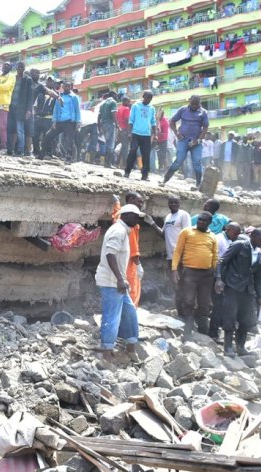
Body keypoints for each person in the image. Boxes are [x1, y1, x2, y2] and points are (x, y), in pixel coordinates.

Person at [95, 204, 144, 360]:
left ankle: (130, 347)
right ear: (127, 215)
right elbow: (110, 254)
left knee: (130, 313)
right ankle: (106, 354)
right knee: (112, 317)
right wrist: (120, 279)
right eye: (136, 217)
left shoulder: (123, 230)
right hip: (112, 282)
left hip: (117, 282)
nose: (137, 220)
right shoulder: (118, 230)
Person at [216, 228, 261, 356]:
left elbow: (258, 279)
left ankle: (241, 347)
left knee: (246, 320)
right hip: (233, 287)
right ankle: (228, 348)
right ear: (253, 236)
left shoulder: (259, 254)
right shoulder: (239, 245)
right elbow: (222, 261)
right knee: (230, 318)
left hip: (248, 291)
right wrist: (218, 279)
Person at [171, 211, 219, 337]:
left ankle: (203, 333)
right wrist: (174, 269)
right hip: (190, 272)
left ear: (210, 223)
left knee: (204, 303)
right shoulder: (186, 232)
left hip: (207, 274)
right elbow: (177, 252)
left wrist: (216, 275)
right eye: (199, 220)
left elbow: (215, 257)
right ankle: (187, 330)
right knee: (188, 301)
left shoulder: (213, 236)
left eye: (204, 221)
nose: (201, 222)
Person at [162, 95, 210, 185]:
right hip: (183, 140)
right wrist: (177, 133)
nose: (194, 106)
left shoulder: (203, 112)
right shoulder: (183, 110)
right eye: (193, 104)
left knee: (197, 163)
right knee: (178, 161)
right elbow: (172, 121)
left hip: (196, 142)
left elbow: (205, 127)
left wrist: (199, 140)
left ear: (199, 104)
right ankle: (165, 180)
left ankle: (198, 184)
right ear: (189, 102)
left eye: (197, 104)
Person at [208, 222, 243, 339]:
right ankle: (213, 332)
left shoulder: (231, 240)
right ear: (228, 229)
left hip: (227, 277)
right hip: (218, 276)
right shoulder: (219, 239)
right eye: (235, 232)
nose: (237, 235)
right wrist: (218, 278)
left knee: (224, 305)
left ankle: (220, 329)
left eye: (238, 233)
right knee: (218, 304)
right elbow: (217, 260)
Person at [124, 91, 157, 180]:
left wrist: (155, 134)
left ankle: (145, 175)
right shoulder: (136, 106)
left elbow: (153, 122)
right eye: (147, 97)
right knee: (132, 152)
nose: (148, 100)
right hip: (135, 133)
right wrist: (130, 132)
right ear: (143, 97)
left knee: (146, 155)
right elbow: (131, 120)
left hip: (146, 135)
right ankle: (127, 172)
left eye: (150, 98)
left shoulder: (152, 108)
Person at [155, 195, 191, 273]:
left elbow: (188, 235)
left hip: (180, 253)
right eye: (171, 203)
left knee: (180, 276)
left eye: (176, 202)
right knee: (171, 277)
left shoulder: (183, 215)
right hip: (170, 253)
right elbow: (163, 234)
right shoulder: (168, 216)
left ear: (180, 203)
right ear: (168, 204)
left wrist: (184, 253)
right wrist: (152, 223)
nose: (173, 204)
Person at [51, 82, 81, 162]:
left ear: (71, 87)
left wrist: (78, 122)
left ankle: (69, 157)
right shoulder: (60, 97)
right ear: (63, 87)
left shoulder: (74, 97)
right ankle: (46, 153)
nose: (67, 87)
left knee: (69, 140)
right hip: (60, 122)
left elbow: (77, 110)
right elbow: (55, 110)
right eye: (65, 86)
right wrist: (54, 120)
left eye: (69, 86)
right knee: (54, 137)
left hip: (70, 122)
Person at [8, 62, 34, 156]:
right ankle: (10, 149)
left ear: (24, 68)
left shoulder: (28, 80)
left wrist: (28, 110)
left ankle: (20, 150)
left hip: (21, 109)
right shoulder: (12, 79)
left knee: (20, 130)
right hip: (11, 108)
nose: (20, 69)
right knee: (11, 130)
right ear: (16, 68)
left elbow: (30, 96)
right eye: (18, 67)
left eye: (21, 67)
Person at [31, 75, 57, 157]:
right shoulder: (40, 93)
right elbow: (35, 105)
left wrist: (55, 120)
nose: (49, 82)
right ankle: (36, 152)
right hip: (38, 118)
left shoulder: (56, 95)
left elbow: (56, 109)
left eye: (51, 81)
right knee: (35, 136)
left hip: (48, 119)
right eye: (48, 81)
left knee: (48, 137)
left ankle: (48, 153)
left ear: (53, 83)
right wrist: (34, 116)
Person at [98, 91, 118, 168]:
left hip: (103, 125)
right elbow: (113, 114)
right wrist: (117, 124)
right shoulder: (113, 102)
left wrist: (99, 127)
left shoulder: (102, 103)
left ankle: (107, 163)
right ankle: (108, 163)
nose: (117, 97)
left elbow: (99, 116)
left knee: (107, 143)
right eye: (116, 95)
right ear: (113, 95)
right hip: (110, 124)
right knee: (110, 144)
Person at [115, 96, 132, 168]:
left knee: (123, 147)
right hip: (125, 129)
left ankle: (117, 162)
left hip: (120, 129)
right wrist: (129, 132)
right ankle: (124, 165)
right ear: (125, 101)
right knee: (125, 148)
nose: (129, 103)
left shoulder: (119, 108)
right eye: (128, 102)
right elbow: (127, 120)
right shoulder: (126, 108)